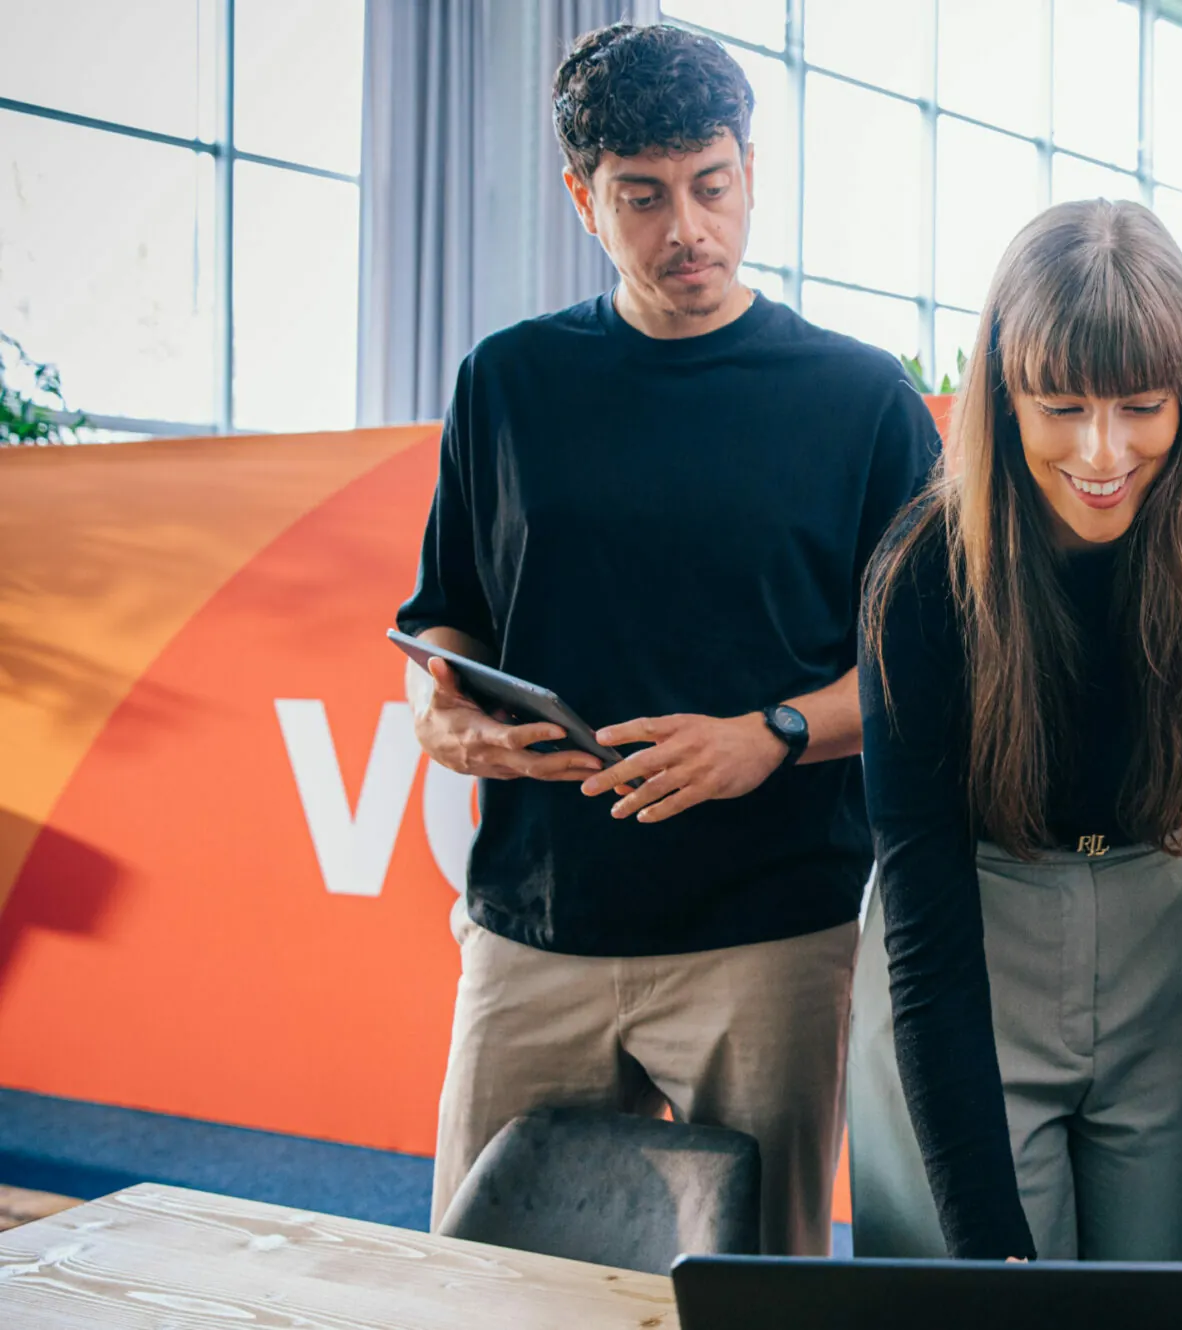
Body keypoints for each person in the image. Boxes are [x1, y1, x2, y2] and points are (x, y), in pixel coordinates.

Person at [398, 22, 935, 1256]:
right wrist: (443, 717)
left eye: (711, 185)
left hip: (771, 933)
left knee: (753, 1287)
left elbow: (926, 669)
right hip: (535, 919)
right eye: (643, 197)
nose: (687, 228)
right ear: (583, 197)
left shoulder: (862, 400)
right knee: (479, 1285)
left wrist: (773, 734)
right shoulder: (505, 383)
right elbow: (445, 612)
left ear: (751, 170)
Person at [850, 199, 1182, 1262]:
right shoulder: (924, 569)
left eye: (1142, 405)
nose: (1104, 451)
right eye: (1062, 407)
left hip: (1162, 937)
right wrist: (992, 1259)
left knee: (1149, 1300)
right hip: (971, 936)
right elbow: (925, 913)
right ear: (1004, 393)